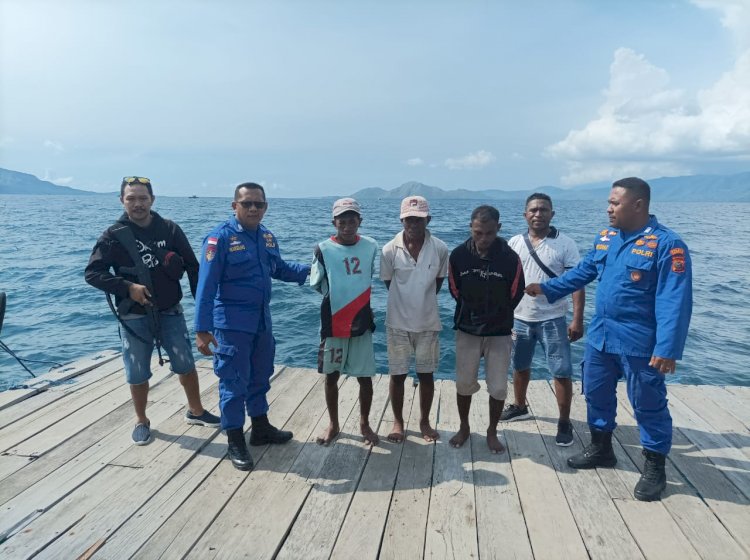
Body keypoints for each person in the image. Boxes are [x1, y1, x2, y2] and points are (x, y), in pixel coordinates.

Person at [525, 177, 692, 501]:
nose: (608, 208)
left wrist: (667, 349)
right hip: (602, 336)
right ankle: (602, 449)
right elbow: (583, 272)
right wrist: (547, 289)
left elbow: (675, 301)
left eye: (615, 203)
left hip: (640, 341)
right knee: (596, 393)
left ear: (639, 205)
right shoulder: (607, 238)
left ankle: (655, 466)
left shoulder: (667, 245)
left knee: (648, 403)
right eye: (609, 202)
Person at [85, 176, 220, 446]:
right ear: (122, 200)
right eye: (131, 198)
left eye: (143, 198)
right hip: (133, 315)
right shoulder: (112, 236)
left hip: (171, 310)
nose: (138, 203)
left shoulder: (170, 230)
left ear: (152, 200)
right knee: (137, 371)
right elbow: (92, 274)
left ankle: (196, 410)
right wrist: (126, 287)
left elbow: (194, 269)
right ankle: (141, 420)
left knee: (185, 363)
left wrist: (205, 316)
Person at [194, 182, 310, 471]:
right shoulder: (218, 239)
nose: (254, 208)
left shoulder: (266, 237)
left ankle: (260, 428)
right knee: (234, 382)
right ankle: (235, 438)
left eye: (259, 204)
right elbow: (205, 287)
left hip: (261, 321)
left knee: (261, 375)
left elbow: (279, 268)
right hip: (231, 325)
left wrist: (317, 267)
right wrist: (201, 330)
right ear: (234, 206)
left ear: (266, 206)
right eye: (247, 203)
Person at [503, 193, 585, 447]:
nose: (538, 214)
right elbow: (504, 281)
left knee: (561, 371)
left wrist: (577, 319)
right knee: (519, 365)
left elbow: (577, 284)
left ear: (552, 214)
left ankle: (563, 421)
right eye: (533, 210)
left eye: (543, 210)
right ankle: (519, 405)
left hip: (553, 318)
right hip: (519, 317)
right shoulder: (514, 243)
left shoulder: (566, 244)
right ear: (525, 214)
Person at [447, 205, 525, 453]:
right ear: (470, 227)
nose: (483, 239)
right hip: (467, 329)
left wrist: (498, 315)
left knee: (499, 386)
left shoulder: (510, 258)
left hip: (500, 331)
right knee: (464, 383)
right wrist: (471, 312)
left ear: (498, 229)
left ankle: (492, 431)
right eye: (478, 232)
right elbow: (454, 289)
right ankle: (464, 427)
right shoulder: (458, 255)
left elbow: (516, 292)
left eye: (489, 233)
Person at [311, 198, 379, 446]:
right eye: (342, 221)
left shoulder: (371, 246)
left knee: (365, 378)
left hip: (362, 322)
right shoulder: (322, 249)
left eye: (352, 220)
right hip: (334, 323)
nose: (348, 225)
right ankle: (334, 424)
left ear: (360, 221)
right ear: (334, 222)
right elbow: (317, 283)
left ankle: (365, 423)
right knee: (331, 375)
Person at [380, 195, 448, 443]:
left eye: (419, 219)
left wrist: (420, 301)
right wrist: (406, 301)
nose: (413, 224)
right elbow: (389, 282)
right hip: (397, 323)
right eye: (409, 219)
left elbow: (438, 282)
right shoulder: (389, 249)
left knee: (426, 375)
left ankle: (424, 421)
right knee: (397, 375)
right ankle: (398, 422)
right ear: (401, 219)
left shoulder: (440, 248)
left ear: (428, 219)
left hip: (428, 324)